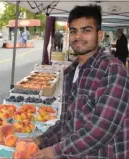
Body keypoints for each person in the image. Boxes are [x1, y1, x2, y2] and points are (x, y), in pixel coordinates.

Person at [20, 4, 129, 159]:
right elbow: (67, 123)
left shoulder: (113, 70)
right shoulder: (72, 71)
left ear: (99, 35)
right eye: (73, 31)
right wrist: (41, 140)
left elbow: (102, 129)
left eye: (86, 30)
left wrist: (55, 151)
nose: (78, 36)